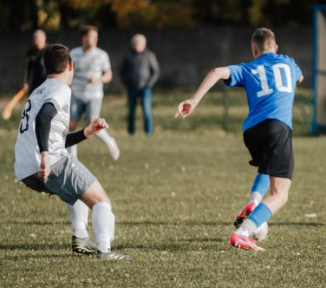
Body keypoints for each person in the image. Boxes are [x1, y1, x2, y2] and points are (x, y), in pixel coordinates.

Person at [175, 28, 303, 251]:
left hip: (252, 132)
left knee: (267, 168)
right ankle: (244, 231)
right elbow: (299, 77)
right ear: (276, 47)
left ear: (254, 50)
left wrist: (193, 101)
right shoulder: (289, 63)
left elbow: (217, 71)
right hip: (278, 127)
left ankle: (255, 200)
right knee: (280, 195)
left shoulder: (248, 68)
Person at [14, 44, 131, 261]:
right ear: (70, 65)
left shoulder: (38, 91)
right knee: (101, 201)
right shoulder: (61, 89)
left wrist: (85, 133)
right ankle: (105, 251)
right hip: (47, 162)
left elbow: (50, 134)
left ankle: (80, 239)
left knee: (77, 191)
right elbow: (43, 118)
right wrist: (46, 158)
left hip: (24, 168)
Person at [69, 26, 120, 161]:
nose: (94, 39)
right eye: (91, 36)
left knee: (93, 123)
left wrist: (98, 79)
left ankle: (110, 141)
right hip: (76, 94)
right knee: (71, 124)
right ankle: (73, 158)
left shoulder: (101, 55)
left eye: (96, 37)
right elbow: (67, 72)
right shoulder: (74, 53)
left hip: (94, 95)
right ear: (84, 38)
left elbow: (108, 75)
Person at [120, 34, 160, 136]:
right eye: (135, 43)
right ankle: (131, 132)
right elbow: (122, 72)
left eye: (139, 43)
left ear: (144, 44)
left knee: (147, 111)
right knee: (131, 111)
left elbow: (155, 72)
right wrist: (126, 83)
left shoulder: (149, 55)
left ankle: (148, 132)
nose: (137, 45)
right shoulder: (128, 56)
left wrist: (149, 84)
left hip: (145, 88)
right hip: (132, 87)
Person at [23, 28, 48, 94]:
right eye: (34, 39)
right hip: (35, 82)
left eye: (37, 39)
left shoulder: (50, 51)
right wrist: (26, 82)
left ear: (44, 39)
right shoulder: (31, 53)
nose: (36, 41)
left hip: (47, 82)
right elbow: (27, 68)